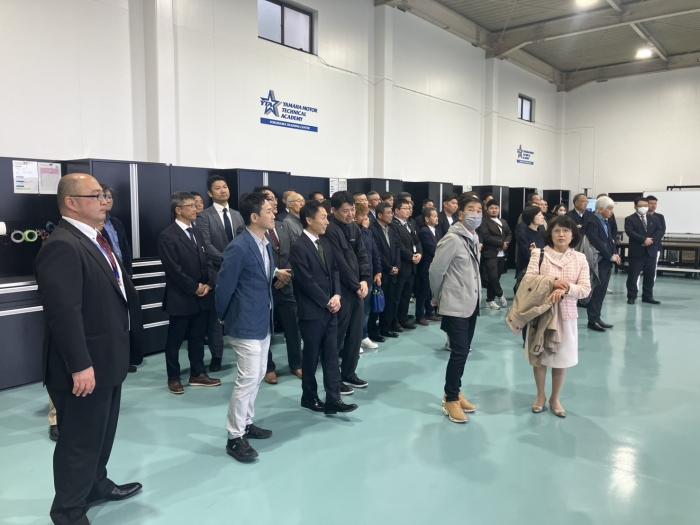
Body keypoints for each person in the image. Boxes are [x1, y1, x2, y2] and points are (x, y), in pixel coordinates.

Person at [35, 173, 142, 525]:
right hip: (84, 366)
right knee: (79, 441)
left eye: (104, 194)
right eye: (95, 195)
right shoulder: (62, 245)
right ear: (71, 202)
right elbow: (64, 313)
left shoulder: (95, 239)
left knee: (102, 434)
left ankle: (96, 484)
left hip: (108, 358)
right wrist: (80, 365)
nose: (104, 201)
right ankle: (68, 511)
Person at [216, 192, 276, 463]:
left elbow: (262, 277)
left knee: (259, 373)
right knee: (248, 377)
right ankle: (234, 436)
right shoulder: (239, 247)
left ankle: (247, 423)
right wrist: (223, 317)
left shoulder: (266, 244)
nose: (273, 214)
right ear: (254, 216)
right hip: (243, 322)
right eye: (268, 211)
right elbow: (224, 286)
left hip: (262, 320)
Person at [289, 200, 358, 415]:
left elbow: (335, 270)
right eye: (323, 218)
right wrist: (326, 301)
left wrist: (337, 295)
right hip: (312, 312)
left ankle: (333, 399)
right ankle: (309, 397)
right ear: (309, 220)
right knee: (311, 357)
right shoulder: (299, 247)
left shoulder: (325, 243)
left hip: (331, 309)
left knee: (331, 355)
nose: (327, 221)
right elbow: (305, 281)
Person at [525, 216, 591, 418]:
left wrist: (566, 289)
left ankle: (555, 398)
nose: (561, 235)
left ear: (573, 235)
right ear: (550, 234)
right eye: (556, 231)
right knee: (540, 357)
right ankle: (540, 395)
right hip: (541, 313)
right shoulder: (539, 254)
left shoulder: (580, 258)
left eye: (566, 231)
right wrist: (552, 283)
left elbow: (585, 289)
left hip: (566, 315)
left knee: (561, 359)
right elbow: (528, 280)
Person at [159, 192, 222, 394]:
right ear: (178, 210)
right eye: (191, 206)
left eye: (196, 205)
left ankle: (198, 373)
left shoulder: (196, 232)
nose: (196, 209)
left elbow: (207, 261)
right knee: (175, 341)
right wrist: (194, 287)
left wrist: (209, 284)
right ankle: (174, 377)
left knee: (197, 338)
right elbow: (174, 269)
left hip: (203, 296)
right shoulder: (168, 235)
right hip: (181, 297)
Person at [429, 194, 482, 424]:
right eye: (471, 209)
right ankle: (450, 399)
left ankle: (455, 392)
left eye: (479, 210)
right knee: (459, 352)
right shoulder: (452, 239)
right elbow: (435, 271)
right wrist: (437, 297)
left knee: (464, 351)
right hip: (454, 304)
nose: (476, 214)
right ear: (460, 213)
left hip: (471, 303)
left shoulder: (473, 236)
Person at [197, 175, 245, 371]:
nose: (223, 190)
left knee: (240, 312)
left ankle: (243, 354)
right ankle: (217, 356)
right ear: (210, 193)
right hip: (217, 271)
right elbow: (206, 244)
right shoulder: (204, 216)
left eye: (225, 186)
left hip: (239, 272)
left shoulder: (237, 214)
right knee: (216, 319)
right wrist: (228, 260)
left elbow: (243, 239)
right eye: (218, 188)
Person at [325, 191, 371, 393]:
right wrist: (355, 285)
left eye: (352, 209)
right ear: (333, 210)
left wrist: (365, 279)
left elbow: (362, 255)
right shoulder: (330, 230)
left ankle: (349, 373)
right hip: (341, 291)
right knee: (337, 337)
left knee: (355, 334)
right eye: (345, 211)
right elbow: (339, 263)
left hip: (357, 290)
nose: (351, 214)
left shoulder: (354, 228)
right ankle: (334, 380)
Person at [100, 184, 143, 373]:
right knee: (111, 321)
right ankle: (113, 361)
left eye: (110, 196)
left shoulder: (116, 222)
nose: (107, 200)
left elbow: (124, 248)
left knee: (127, 320)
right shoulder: (93, 224)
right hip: (106, 278)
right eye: (103, 196)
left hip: (123, 275)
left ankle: (127, 358)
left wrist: (129, 272)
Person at [265, 206, 301, 382]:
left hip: (286, 285)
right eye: (268, 205)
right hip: (265, 287)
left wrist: (287, 274)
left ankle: (296, 364)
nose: (273, 207)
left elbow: (294, 252)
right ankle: (268, 368)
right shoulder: (249, 229)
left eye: (273, 203)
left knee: (293, 327)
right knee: (266, 330)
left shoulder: (282, 225)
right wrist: (275, 273)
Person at [584, 196, 621, 331]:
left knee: (602, 291)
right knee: (596, 291)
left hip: (607, 261)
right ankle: (592, 320)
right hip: (598, 261)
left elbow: (610, 240)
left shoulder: (606, 221)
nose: (611, 211)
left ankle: (597, 317)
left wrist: (615, 253)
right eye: (609, 209)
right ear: (600, 209)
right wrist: (609, 256)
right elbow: (596, 242)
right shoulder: (592, 221)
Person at [392, 198, 422, 330]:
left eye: (410, 208)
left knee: (406, 295)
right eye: (405, 208)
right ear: (396, 210)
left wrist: (419, 253)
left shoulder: (410, 223)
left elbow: (417, 241)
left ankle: (403, 318)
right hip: (402, 264)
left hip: (412, 266)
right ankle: (394, 321)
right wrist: (411, 256)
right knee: (397, 296)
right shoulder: (394, 225)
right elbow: (398, 245)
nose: (409, 210)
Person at [355, 203, 382, 350]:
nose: (367, 219)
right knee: (357, 312)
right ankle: (355, 339)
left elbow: (374, 251)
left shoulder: (368, 232)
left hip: (369, 276)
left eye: (367, 215)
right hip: (357, 277)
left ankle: (364, 336)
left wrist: (378, 270)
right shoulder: (356, 231)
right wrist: (364, 229)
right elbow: (362, 249)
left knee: (366, 310)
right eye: (363, 216)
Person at [372, 202, 401, 339]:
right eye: (388, 213)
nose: (391, 215)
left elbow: (397, 248)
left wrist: (397, 266)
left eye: (391, 213)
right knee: (377, 303)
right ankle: (374, 332)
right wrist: (389, 267)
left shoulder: (392, 228)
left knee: (390, 301)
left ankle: (386, 328)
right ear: (379, 215)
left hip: (394, 271)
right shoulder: (373, 229)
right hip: (381, 272)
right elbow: (377, 252)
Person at [625, 198, 661, 305]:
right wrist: (644, 240)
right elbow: (630, 232)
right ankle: (631, 296)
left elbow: (659, 231)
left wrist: (651, 240)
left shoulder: (654, 218)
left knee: (650, 275)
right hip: (637, 252)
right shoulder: (630, 219)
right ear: (635, 206)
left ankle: (647, 296)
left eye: (646, 205)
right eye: (641, 206)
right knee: (633, 276)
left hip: (651, 252)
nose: (644, 207)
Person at [478, 200, 512, 310]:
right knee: (492, 277)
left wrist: (506, 242)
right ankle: (500, 294)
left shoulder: (503, 221)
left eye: (496, 208)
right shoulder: (484, 221)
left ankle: (490, 300)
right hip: (490, 253)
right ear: (487, 209)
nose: (494, 210)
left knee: (497, 277)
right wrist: (501, 243)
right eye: (491, 208)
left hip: (502, 254)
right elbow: (486, 236)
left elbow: (509, 233)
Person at [415, 206, 441, 325]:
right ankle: (420, 315)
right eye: (434, 216)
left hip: (434, 265)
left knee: (430, 291)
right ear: (426, 218)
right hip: (426, 265)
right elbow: (432, 248)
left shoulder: (436, 231)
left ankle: (430, 312)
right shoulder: (424, 231)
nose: (437, 218)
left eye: (437, 216)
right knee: (423, 291)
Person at [514, 206, 546, 283]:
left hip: (542, 266)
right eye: (539, 215)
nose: (542, 217)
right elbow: (526, 253)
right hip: (527, 267)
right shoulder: (523, 233)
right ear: (531, 217)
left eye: (542, 214)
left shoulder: (542, 231)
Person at [646, 194, 666, 280]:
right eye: (651, 203)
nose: (653, 205)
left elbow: (662, 231)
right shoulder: (641, 216)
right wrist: (644, 240)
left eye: (655, 203)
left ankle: (650, 287)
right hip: (642, 246)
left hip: (655, 247)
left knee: (652, 270)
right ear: (646, 204)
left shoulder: (660, 217)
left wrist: (651, 240)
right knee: (638, 270)